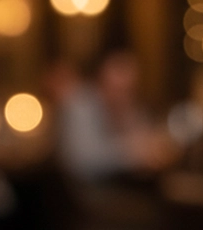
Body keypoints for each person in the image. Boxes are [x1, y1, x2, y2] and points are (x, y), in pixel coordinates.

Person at [56, 49, 178, 184]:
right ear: (100, 81)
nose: (124, 94)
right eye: (118, 88)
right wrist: (130, 152)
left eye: (129, 89)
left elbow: (149, 144)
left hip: (126, 185)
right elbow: (81, 160)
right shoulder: (79, 103)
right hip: (85, 191)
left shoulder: (132, 105)